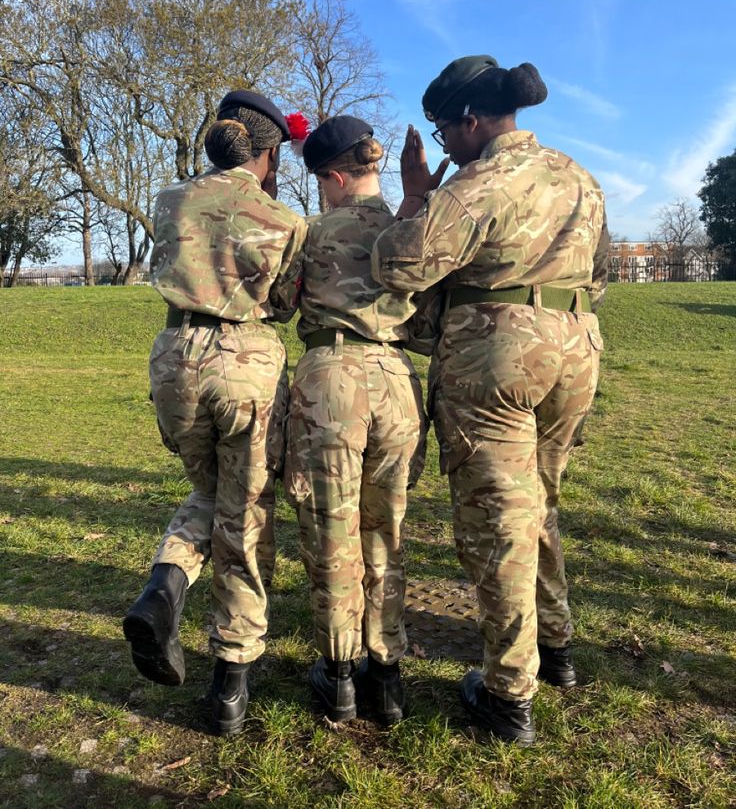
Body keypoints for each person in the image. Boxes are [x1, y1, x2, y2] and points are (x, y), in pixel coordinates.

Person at [371, 56, 609, 745]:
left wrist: (417, 195)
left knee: (497, 518)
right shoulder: (577, 175)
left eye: (443, 129)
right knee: (538, 500)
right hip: (575, 347)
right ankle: (554, 645)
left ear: (471, 121)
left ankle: (508, 692)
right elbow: (598, 271)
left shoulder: (478, 185)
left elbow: (397, 263)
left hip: (497, 355)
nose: (442, 143)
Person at [123, 90, 307, 736]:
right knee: (246, 510)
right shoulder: (282, 218)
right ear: (267, 152)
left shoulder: (169, 201)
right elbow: (284, 303)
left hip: (173, 356)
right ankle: (231, 678)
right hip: (245, 362)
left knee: (208, 489)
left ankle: (164, 587)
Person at [285, 115, 427, 724]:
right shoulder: (411, 228)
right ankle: (387, 673)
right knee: (385, 528)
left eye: (321, 182)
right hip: (396, 381)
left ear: (336, 177)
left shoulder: (313, 232)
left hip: (331, 380)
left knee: (331, 529)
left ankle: (340, 675)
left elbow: (277, 299)